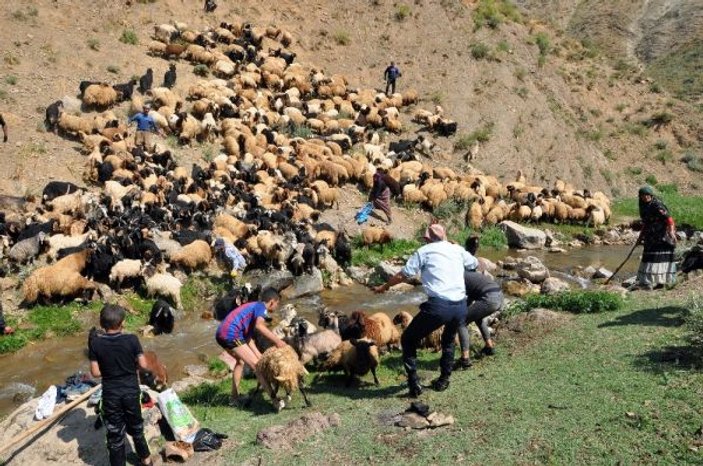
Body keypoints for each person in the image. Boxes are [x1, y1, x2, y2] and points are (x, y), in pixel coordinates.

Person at [375, 223, 478, 396]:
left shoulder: (424, 251)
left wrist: (384, 287)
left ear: (427, 239)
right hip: (460, 305)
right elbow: (474, 264)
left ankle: (414, 384)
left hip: (439, 306)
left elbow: (404, 274)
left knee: (408, 339)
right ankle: (444, 379)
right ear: (444, 236)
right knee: (449, 339)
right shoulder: (456, 249)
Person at [89, 304, 157, 466]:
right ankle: (146, 459)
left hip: (111, 395)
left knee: (114, 434)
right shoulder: (132, 339)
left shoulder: (95, 344)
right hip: (131, 393)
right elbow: (144, 365)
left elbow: (95, 373)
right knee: (136, 427)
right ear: (123, 323)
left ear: (101, 324)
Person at [215, 287, 287, 405]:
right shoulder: (261, 307)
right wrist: (278, 342)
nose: (276, 307)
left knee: (241, 362)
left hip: (221, 333)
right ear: (272, 302)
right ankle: (275, 401)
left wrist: (259, 355)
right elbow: (260, 326)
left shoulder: (253, 307)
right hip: (230, 334)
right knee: (256, 366)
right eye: (277, 304)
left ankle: (234, 398)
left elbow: (248, 339)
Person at [454, 236, 503, 370]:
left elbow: (465, 298)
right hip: (498, 295)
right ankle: (489, 346)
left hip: (490, 298)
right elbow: (470, 295)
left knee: (461, 321)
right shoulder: (470, 268)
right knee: (477, 317)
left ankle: (465, 359)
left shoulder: (458, 276)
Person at [632, 185, 677, 290]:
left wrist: (671, 232)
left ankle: (661, 282)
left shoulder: (657, 205)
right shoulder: (644, 206)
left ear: (651, 195)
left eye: (647, 195)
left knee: (660, 258)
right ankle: (650, 281)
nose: (645, 197)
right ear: (640, 197)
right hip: (650, 237)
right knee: (649, 258)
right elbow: (645, 224)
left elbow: (669, 219)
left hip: (662, 236)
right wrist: (640, 237)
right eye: (643, 195)